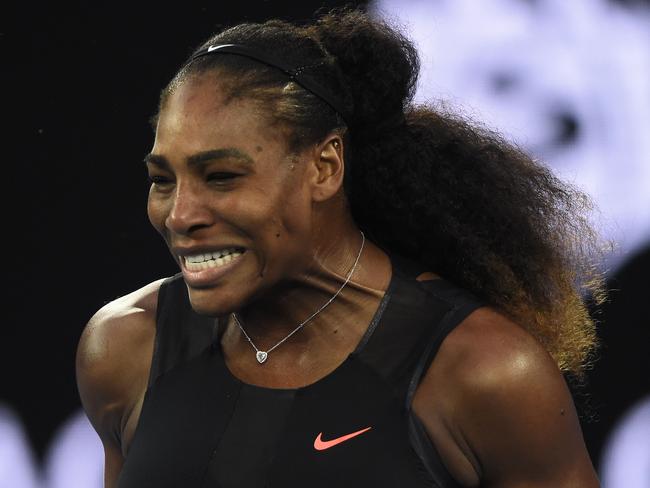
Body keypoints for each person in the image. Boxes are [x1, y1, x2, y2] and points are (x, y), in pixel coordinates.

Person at [76, 9, 606, 488]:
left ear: (324, 167)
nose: (180, 214)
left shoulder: (484, 372)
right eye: (162, 179)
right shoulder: (123, 349)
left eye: (221, 176)